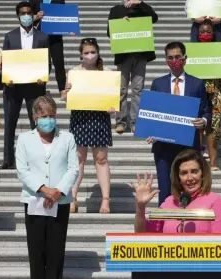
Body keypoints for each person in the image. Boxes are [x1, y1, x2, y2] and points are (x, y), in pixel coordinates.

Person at [15, 96, 78, 279]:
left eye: (51, 115)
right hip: (34, 201)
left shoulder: (67, 138)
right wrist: (45, 190)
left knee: (56, 252)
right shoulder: (25, 139)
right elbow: (22, 170)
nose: (48, 119)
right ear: (35, 116)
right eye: (43, 116)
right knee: (36, 253)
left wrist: (58, 191)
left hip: (61, 201)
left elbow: (73, 168)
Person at [148, 41, 211, 206]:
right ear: (166, 60)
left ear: (185, 58)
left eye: (177, 57)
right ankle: (164, 226)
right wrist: (150, 130)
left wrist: (202, 121)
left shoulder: (197, 84)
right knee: (165, 190)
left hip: (188, 146)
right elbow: (152, 113)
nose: (174, 60)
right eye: (170, 57)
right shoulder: (158, 84)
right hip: (163, 146)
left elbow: (206, 111)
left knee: (190, 190)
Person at [61, 38, 114, 214]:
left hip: (99, 117)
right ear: (81, 54)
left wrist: (113, 107)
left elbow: (114, 99)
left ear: (98, 52)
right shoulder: (74, 72)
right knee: (78, 159)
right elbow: (65, 98)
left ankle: (105, 200)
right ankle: (72, 198)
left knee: (101, 158)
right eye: (86, 53)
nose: (89, 55)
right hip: (80, 117)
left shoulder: (107, 71)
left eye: (92, 52)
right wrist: (65, 92)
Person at [0, 1, 50, 170]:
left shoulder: (42, 37)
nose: (26, 16)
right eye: (22, 13)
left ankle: (37, 159)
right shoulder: (9, 36)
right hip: (13, 87)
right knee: (9, 124)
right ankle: (8, 160)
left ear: (33, 15)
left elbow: (47, 63)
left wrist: (44, 77)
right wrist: (7, 77)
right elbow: (5, 62)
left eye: (28, 13)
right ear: (18, 16)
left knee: (36, 123)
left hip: (35, 86)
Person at [132, 149, 221, 233]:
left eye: (194, 172)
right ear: (178, 178)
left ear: (202, 174)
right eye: (184, 173)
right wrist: (140, 207)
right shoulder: (169, 202)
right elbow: (142, 235)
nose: (190, 178)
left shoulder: (214, 200)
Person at [107, 0, 158, 134]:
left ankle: (136, 122)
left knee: (138, 90)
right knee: (121, 89)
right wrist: (120, 24)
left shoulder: (143, 9)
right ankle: (120, 122)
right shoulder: (116, 10)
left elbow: (154, 18)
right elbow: (109, 32)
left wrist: (140, 3)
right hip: (123, 56)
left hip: (140, 55)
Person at [197, 19, 221, 170]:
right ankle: (198, 160)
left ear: (213, 34)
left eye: (208, 31)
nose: (205, 34)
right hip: (198, 91)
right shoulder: (192, 51)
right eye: (202, 32)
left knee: (214, 126)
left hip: (216, 91)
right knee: (198, 125)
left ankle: (213, 163)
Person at [30, 0, 68, 96]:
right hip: (39, 37)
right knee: (42, 64)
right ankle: (40, 90)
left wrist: (69, 28)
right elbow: (27, 18)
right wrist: (36, 17)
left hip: (55, 37)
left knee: (59, 62)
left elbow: (64, 15)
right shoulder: (34, 1)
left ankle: (62, 90)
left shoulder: (59, 1)